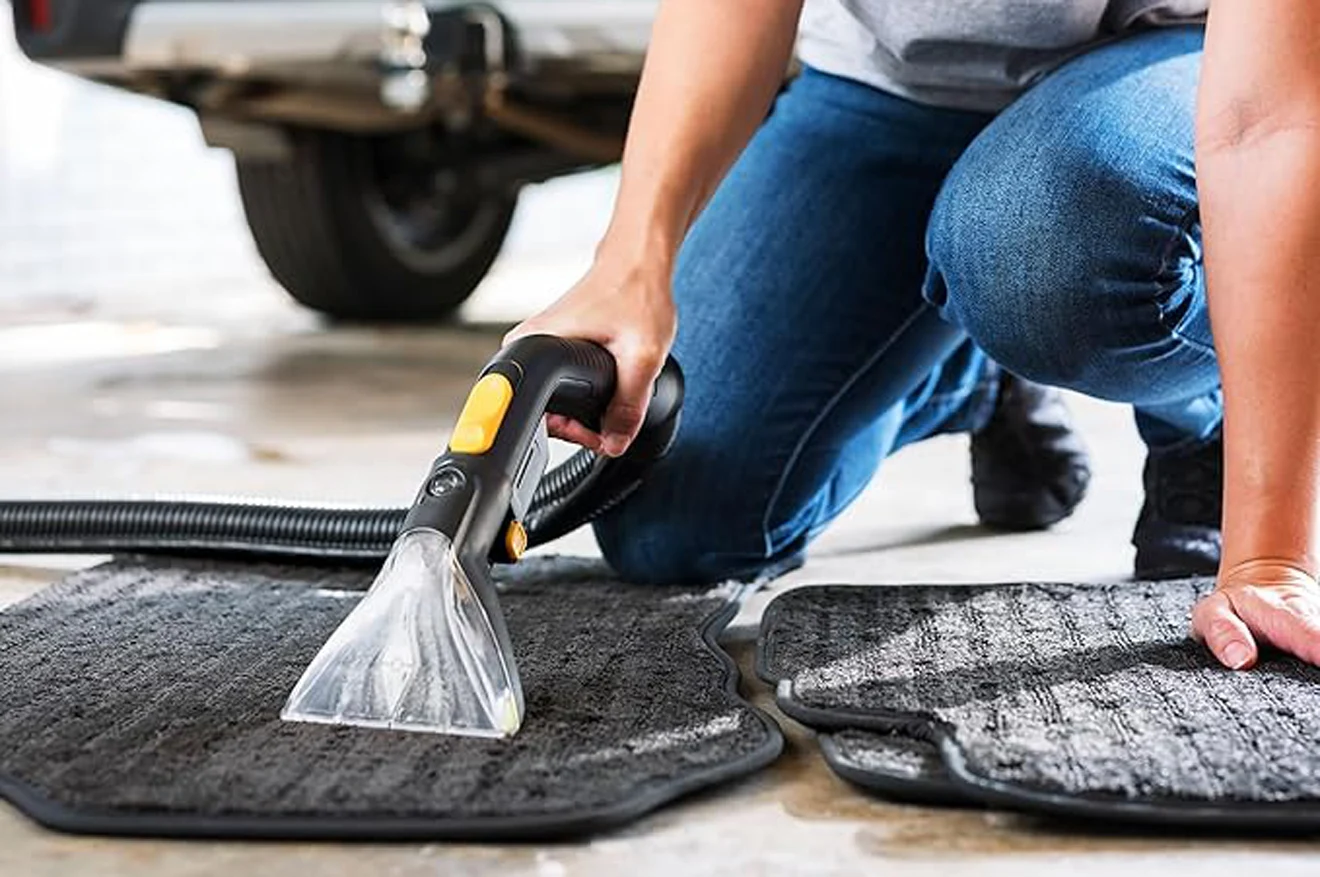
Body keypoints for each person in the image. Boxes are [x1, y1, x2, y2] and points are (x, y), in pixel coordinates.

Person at [506, 0, 1320, 671]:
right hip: (894, 87)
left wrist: (1270, 557)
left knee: (1049, 253)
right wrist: (630, 266)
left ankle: (1200, 418)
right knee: (674, 523)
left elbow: (1267, 125)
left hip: (1182, 63)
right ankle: (976, 370)